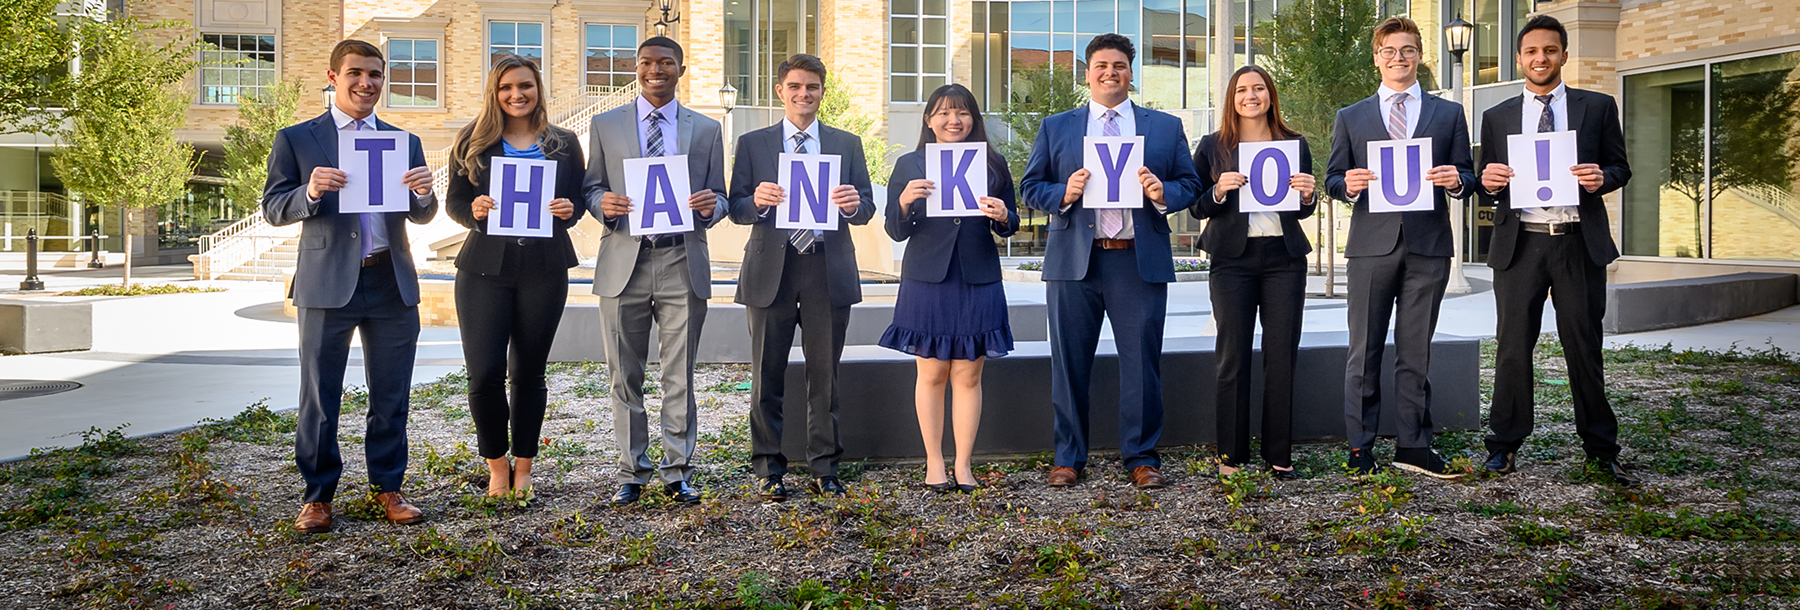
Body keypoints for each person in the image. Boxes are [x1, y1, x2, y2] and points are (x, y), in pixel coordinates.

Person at [263, 39, 437, 533]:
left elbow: (422, 214)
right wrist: (311, 190)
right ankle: (317, 496)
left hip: (390, 279)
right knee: (320, 394)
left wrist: (425, 193)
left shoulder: (404, 140)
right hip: (327, 282)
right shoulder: (297, 139)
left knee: (392, 394)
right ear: (333, 76)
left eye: (376, 75)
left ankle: (389, 487)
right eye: (356, 73)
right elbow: (274, 208)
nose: (366, 83)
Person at [1019, 34, 1203, 490]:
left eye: (1119, 65)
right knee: (1069, 364)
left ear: (1131, 72)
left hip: (1136, 261)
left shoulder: (1163, 127)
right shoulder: (1057, 126)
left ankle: (1141, 457)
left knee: (1142, 364)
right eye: (1101, 65)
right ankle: (1068, 457)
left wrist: (1164, 194)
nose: (1110, 73)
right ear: (1087, 72)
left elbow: (1190, 183)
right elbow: (1030, 187)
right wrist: (1064, 193)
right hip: (1074, 262)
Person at [1477, 15, 1636, 485]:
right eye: (1531, 51)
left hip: (1576, 243)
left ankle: (1601, 449)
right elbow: (1486, 175)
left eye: (1550, 50)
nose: (1540, 58)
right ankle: (1503, 446)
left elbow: (1620, 167)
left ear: (1564, 55)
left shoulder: (1597, 106)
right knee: (1511, 348)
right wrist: (1487, 180)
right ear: (1520, 58)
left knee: (1584, 347)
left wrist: (1601, 179)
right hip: (1520, 244)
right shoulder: (1497, 115)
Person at [1326, 16, 1476, 479]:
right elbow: (1333, 179)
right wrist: (1346, 185)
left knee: (1416, 352)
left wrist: (1456, 181)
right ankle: (1360, 447)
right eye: (1390, 51)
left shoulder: (1447, 113)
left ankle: (1413, 445)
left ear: (1418, 56)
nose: (1399, 58)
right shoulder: (1351, 117)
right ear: (1377, 57)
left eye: (1408, 50)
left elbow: (1468, 177)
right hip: (1371, 247)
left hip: (1428, 247)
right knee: (1364, 351)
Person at [581, 37, 729, 506]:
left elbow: (721, 195)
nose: (655, 70)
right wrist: (599, 204)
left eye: (666, 63)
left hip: (681, 259)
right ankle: (632, 470)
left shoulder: (706, 129)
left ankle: (677, 470)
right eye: (646, 62)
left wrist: (712, 207)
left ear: (680, 70)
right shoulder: (605, 124)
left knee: (678, 372)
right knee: (623, 373)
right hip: (624, 258)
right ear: (636, 69)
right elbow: (591, 186)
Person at [727, 53, 876, 501]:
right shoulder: (754, 144)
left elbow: (866, 208)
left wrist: (851, 204)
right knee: (765, 373)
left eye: (811, 86)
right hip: (771, 269)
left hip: (825, 268)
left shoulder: (846, 144)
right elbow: (735, 208)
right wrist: (757, 201)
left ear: (822, 92)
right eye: (794, 86)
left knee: (824, 375)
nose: (802, 94)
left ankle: (824, 465)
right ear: (780, 91)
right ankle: (768, 466)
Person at [444, 53, 586, 500]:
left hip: (544, 269)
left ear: (538, 89)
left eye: (524, 85)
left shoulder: (563, 143)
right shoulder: (472, 140)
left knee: (529, 372)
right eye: (506, 88)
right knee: (483, 373)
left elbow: (577, 201)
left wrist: (569, 211)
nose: (516, 95)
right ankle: (497, 465)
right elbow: (454, 202)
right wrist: (474, 211)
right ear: (494, 92)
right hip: (484, 269)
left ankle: (524, 465)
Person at [879, 83, 1020, 494]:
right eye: (943, 113)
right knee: (932, 371)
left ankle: (963, 464)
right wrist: (904, 202)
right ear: (928, 120)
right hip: (927, 278)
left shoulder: (993, 163)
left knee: (969, 374)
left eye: (962, 113)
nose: (953, 120)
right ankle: (934, 463)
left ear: (974, 120)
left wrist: (1003, 215)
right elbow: (894, 229)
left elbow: (1009, 223)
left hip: (977, 275)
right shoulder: (909, 164)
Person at [1189, 65, 1316, 480]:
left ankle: (1279, 454)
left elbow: (1302, 207)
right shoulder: (1213, 146)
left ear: (1270, 95)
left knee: (1282, 356)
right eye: (1242, 89)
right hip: (1232, 261)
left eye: (1258, 88)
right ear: (1232, 98)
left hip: (1284, 258)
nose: (1251, 95)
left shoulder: (1293, 142)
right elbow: (1195, 206)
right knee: (1233, 356)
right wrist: (1218, 190)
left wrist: (1309, 194)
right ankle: (1232, 454)